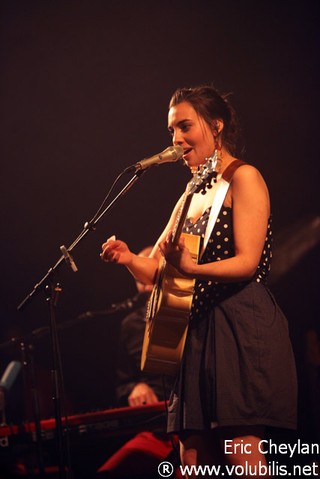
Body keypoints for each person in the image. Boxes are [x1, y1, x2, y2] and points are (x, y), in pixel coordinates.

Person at [100, 85, 297, 478]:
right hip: (198, 331)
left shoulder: (244, 177)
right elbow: (157, 270)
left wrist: (192, 270)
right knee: (192, 462)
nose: (176, 139)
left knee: (242, 455)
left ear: (216, 124)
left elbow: (248, 263)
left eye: (185, 126)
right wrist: (127, 259)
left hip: (241, 323)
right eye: (172, 131)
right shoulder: (189, 195)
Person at [97, 247, 181, 479]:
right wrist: (135, 387)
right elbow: (122, 383)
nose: (142, 281)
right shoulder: (130, 324)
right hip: (154, 430)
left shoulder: (186, 310)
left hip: (189, 427)